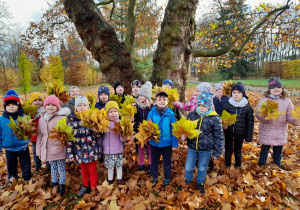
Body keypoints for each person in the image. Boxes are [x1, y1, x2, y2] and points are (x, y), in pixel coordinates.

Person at [181, 92, 224, 193]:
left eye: (204, 106)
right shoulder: (192, 115)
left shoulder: (215, 118)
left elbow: (219, 136)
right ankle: (188, 181)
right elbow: (187, 129)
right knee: (188, 167)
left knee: (202, 167)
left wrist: (217, 151)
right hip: (192, 147)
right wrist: (184, 136)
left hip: (206, 149)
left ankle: (200, 183)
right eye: (199, 105)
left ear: (209, 105)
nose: (201, 108)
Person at [256, 77, 300, 168]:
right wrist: (265, 117)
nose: (276, 89)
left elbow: (290, 116)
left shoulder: (287, 101)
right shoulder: (264, 100)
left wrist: (296, 120)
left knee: (278, 151)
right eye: (273, 88)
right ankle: (261, 165)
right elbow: (258, 114)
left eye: (278, 87)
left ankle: (277, 166)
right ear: (269, 90)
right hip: (267, 131)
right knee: (264, 149)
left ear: (282, 89)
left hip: (280, 131)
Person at [67, 96, 102, 197]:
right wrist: (70, 153)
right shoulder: (72, 122)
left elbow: (99, 136)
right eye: (80, 105)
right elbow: (69, 139)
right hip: (79, 151)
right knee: (84, 171)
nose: (82, 107)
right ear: (75, 108)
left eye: (84, 105)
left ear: (88, 107)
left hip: (92, 150)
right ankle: (85, 185)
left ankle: (93, 187)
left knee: (92, 170)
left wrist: (97, 131)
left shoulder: (92, 119)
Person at [36, 95, 71, 196]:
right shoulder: (41, 119)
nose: (50, 107)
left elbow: (67, 134)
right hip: (47, 149)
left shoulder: (62, 118)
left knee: (61, 167)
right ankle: (54, 182)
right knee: (53, 167)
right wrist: (39, 151)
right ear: (44, 106)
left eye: (53, 105)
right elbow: (40, 136)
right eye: (48, 105)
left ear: (57, 107)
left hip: (59, 148)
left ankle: (61, 184)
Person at [147, 90, 178, 187]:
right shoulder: (151, 113)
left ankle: (167, 178)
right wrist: (147, 137)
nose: (162, 101)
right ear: (155, 101)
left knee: (167, 162)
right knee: (154, 162)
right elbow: (147, 127)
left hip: (167, 143)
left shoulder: (170, 113)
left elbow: (174, 129)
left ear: (167, 101)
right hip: (154, 143)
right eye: (159, 99)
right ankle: (154, 176)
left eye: (164, 99)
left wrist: (175, 144)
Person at [0, 90, 32, 183]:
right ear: (5, 106)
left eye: (13, 104)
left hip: (22, 146)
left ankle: (27, 177)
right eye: (8, 105)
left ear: (18, 106)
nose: (11, 106)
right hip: (9, 148)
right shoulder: (1, 120)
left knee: (25, 164)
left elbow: (29, 130)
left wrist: (27, 138)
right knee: (11, 165)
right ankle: (12, 178)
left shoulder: (24, 117)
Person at [222, 82, 254, 168]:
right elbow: (223, 119)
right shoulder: (227, 105)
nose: (236, 95)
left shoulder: (247, 107)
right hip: (228, 132)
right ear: (231, 94)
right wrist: (224, 126)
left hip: (240, 133)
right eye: (234, 93)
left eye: (239, 93)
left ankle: (237, 165)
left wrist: (248, 138)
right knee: (228, 150)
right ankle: (227, 165)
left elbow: (250, 123)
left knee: (238, 151)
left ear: (243, 94)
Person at [28, 92, 51, 173]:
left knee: (47, 150)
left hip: (45, 135)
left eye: (39, 100)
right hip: (35, 136)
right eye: (35, 100)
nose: (37, 102)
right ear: (31, 102)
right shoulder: (29, 113)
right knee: (35, 151)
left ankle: (49, 166)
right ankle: (37, 165)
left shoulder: (46, 112)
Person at [102, 101, 124, 184]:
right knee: (110, 166)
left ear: (118, 112)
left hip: (118, 149)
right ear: (107, 113)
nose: (113, 113)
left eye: (115, 111)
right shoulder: (104, 124)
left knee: (119, 165)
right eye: (110, 112)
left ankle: (119, 178)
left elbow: (122, 139)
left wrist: (123, 134)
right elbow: (101, 136)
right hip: (108, 150)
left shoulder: (120, 123)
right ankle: (110, 179)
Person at [133, 83, 153, 174]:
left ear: (147, 97)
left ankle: (150, 164)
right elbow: (135, 121)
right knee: (141, 150)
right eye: (139, 95)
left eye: (142, 96)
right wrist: (134, 132)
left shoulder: (152, 108)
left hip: (148, 132)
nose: (139, 97)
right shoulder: (136, 107)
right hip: (139, 132)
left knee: (149, 150)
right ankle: (141, 164)